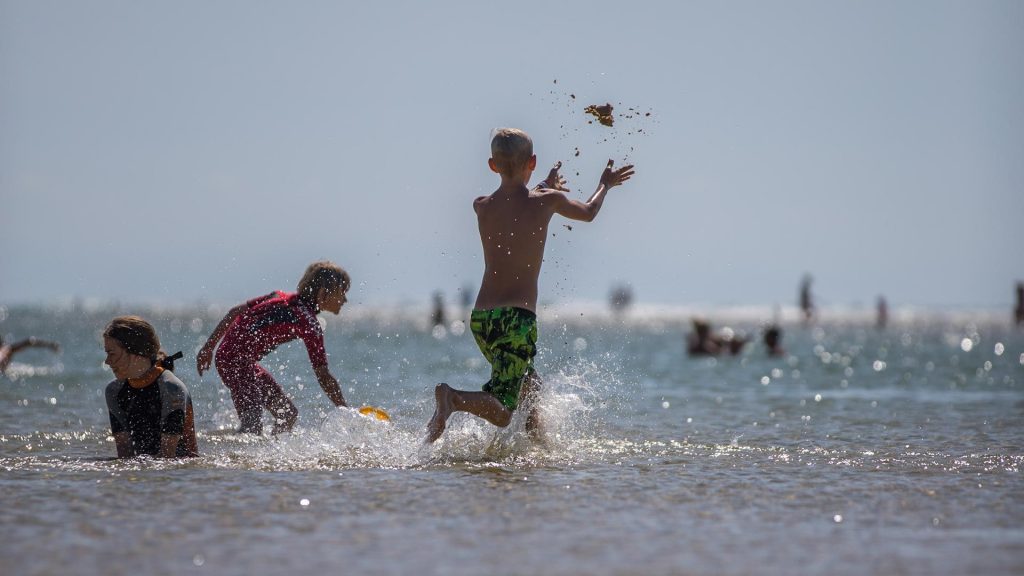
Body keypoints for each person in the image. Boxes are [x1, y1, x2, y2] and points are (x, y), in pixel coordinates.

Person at [426, 127, 635, 443]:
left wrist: (542, 186)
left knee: (530, 386)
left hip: (482, 319)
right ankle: (453, 398)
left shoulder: (482, 206)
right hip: (516, 321)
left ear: (492, 165)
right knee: (504, 410)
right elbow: (589, 212)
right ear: (533, 161)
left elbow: (517, 204)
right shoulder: (547, 201)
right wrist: (604, 185)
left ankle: (538, 454)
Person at [197, 261, 350, 434]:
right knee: (252, 422)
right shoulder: (308, 323)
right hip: (235, 362)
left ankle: (267, 454)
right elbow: (322, 374)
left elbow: (234, 312)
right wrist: (344, 409)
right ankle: (236, 458)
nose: (345, 299)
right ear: (323, 294)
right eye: (342, 293)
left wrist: (208, 349)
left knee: (288, 414)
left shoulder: (278, 295)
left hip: (240, 361)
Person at [103, 316, 198, 458]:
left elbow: (168, 458)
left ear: (136, 354)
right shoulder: (114, 392)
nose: (107, 361)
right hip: (145, 470)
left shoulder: (172, 389)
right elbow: (124, 456)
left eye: (112, 354)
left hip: (179, 475)